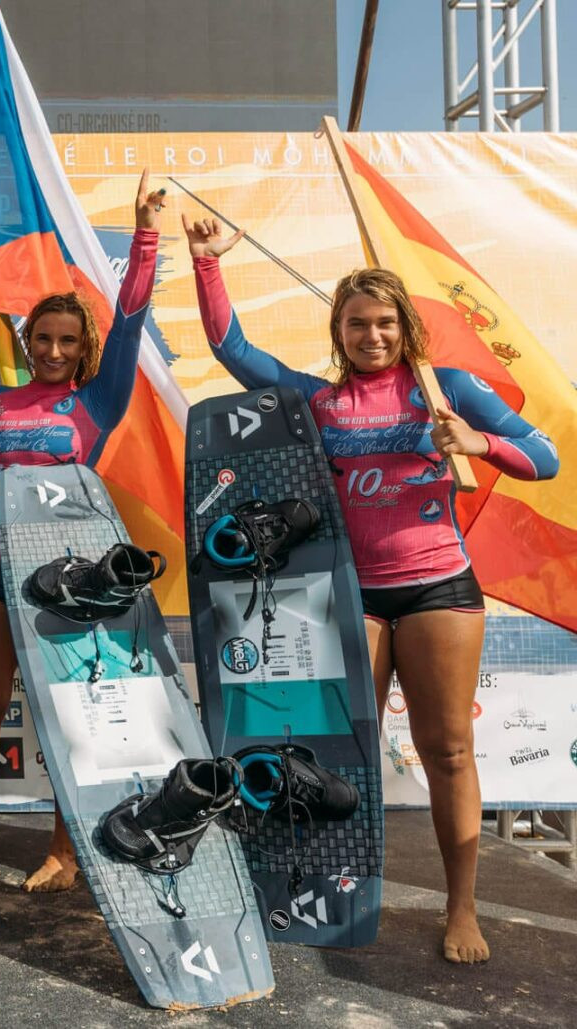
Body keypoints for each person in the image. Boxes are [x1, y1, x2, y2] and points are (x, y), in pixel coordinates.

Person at [185, 214, 559, 963]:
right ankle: (328, 891)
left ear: (406, 327)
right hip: (354, 594)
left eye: (385, 322)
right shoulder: (320, 405)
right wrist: (206, 265)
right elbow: (237, 353)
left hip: (439, 589)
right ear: (340, 331)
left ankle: (461, 907)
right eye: (358, 324)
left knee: (448, 749)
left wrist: (477, 441)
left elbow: (543, 456)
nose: (373, 336)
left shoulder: (443, 388)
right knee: (334, 755)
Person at [0, 171, 166, 891]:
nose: (52, 350)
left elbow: (131, 324)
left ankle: (64, 846)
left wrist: (144, 233)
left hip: (72, 586)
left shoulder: (97, 401)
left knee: (70, 716)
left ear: (79, 345)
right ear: (26, 342)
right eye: (42, 339)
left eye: (64, 339)